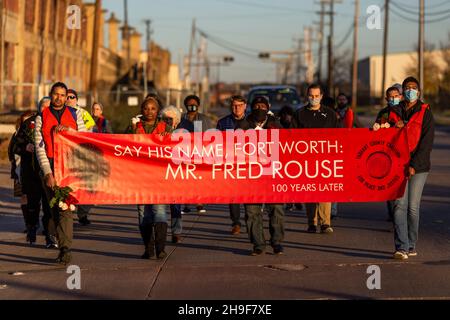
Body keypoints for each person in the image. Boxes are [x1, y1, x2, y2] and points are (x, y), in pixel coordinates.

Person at [380, 77, 435, 260]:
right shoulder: (394, 111)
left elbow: (426, 143)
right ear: (402, 91)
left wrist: (413, 165)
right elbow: (383, 133)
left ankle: (411, 244)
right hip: (397, 166)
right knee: (398, 206)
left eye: (414, 88)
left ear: (418, 91)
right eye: (407, 88)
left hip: (419, 167)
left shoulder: (425, 111)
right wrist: (387, 126)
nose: (410, 90)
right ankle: (401, 247)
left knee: (412, 207)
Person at [35, 82, 87, 265]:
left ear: (66, 97)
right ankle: (56, 235)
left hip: (69, 167)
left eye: (63, 95)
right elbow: (39, 148)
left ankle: (65, 250)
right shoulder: (41, 117)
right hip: (50, 166)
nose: (59, 98)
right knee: (54, 210)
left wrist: (69, 131)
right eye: (56, 94)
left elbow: (85, 138)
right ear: (51, 95)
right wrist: (47, 173)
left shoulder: (75, 114)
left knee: (65, 208)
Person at [236, 96, 285, 256]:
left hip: (273, 174)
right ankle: (258, 244)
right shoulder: (243, 125)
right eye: (256, 106)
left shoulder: (276, 124)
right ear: (251, 108)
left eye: (263, 106)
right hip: (250, 177)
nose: (259, 109)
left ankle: (276, 242)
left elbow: (288, 145)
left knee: (276, 209)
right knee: (252, 212)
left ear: (268, 107)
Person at [128, 97, 171, 259]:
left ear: (158, 110)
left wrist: (169, 136)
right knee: (143, 213)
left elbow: (175, 148)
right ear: (141, 110)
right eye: (146, 108)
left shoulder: (165, 127)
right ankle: (149, 248)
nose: (149, 112)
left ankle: (160, 249)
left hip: (159, 177)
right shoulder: (133, 127)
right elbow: (120, 146)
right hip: (139, 177)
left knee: (159, 210)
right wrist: (132, 129)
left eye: (153, 109)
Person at [295, 84, 341, 234]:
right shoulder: (299, 114)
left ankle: (325, 223)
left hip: (325, 160)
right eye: (311, 96)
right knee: (310, 192)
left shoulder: (330, 114)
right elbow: (291, 136)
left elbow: (340, 136)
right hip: (306, 160)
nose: (313, 99)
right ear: (307, 96)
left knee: (324, 191)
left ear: (321, 96)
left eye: (316, 96)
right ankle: (312, 222)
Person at [13, 99, 55, 246]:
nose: (45, 109)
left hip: (49, 171)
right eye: (43, 107)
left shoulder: (55, 124)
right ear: (39, 108)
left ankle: (50, 236)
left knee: (50, 204)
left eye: (48, 107)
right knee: (32, 203)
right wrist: (26, 147)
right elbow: (16, 146)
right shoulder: (28, 123)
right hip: (31, 173)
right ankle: (31, 229)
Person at [160, 105, 194, 244]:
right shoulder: (159, 128)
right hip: (161, 169)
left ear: (177, 119)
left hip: (178, 169)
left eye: (169, 119)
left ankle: (176, 231)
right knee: (159, 204)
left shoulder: (187, 127)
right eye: (164, 119)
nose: (166, 121)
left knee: (175, 203)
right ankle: (159, 230)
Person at [216, 95, 248, 235]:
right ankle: (236, 223)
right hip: (231, 165)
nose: (237, 108)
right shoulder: (223, 123)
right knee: (234, 196)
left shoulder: (251, 122)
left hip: (248, 164)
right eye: (234, 105)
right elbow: (216, 143)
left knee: (249, 195)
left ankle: (250, 219)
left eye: (240, 105)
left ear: (245, 106)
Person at [373, 85, 404, 222]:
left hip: (403, 153)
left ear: (401, 97)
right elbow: (377, 130)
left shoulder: (405, 111)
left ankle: (401, 212)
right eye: (390, 97)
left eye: (396, 96)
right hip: (388, 154)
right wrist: (376, 127)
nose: (393, 99)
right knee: (389, 184)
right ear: (386, 98)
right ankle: (393, 213)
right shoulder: (383, 113)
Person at [181, 95, 211, 214]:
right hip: (184, 152)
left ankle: (199, 202)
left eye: (194, 104)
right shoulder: (182, 118)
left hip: (200, 152)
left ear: (198, 106)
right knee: (186, 179)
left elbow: (210, 135)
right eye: (189, 104)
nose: (192, 106)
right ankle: (186, 204)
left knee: (199, 178)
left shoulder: (204, 119)